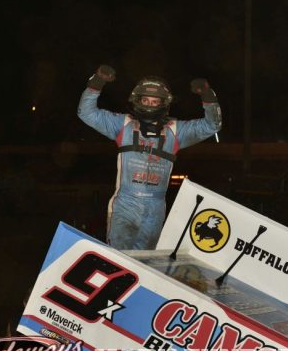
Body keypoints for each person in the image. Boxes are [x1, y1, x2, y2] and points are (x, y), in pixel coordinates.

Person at [77, 65, 222, 250]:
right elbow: (85, 113)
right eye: (146, 100)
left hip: (155, 210)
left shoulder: (176, 131)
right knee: (118, 260)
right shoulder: (123, 124)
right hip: (124, 206)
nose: (149, 105)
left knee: (146, 264)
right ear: (137, 101)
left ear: (164, 103)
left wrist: (207, 95)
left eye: (155, 102)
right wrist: (97, 82)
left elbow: (212, 125)